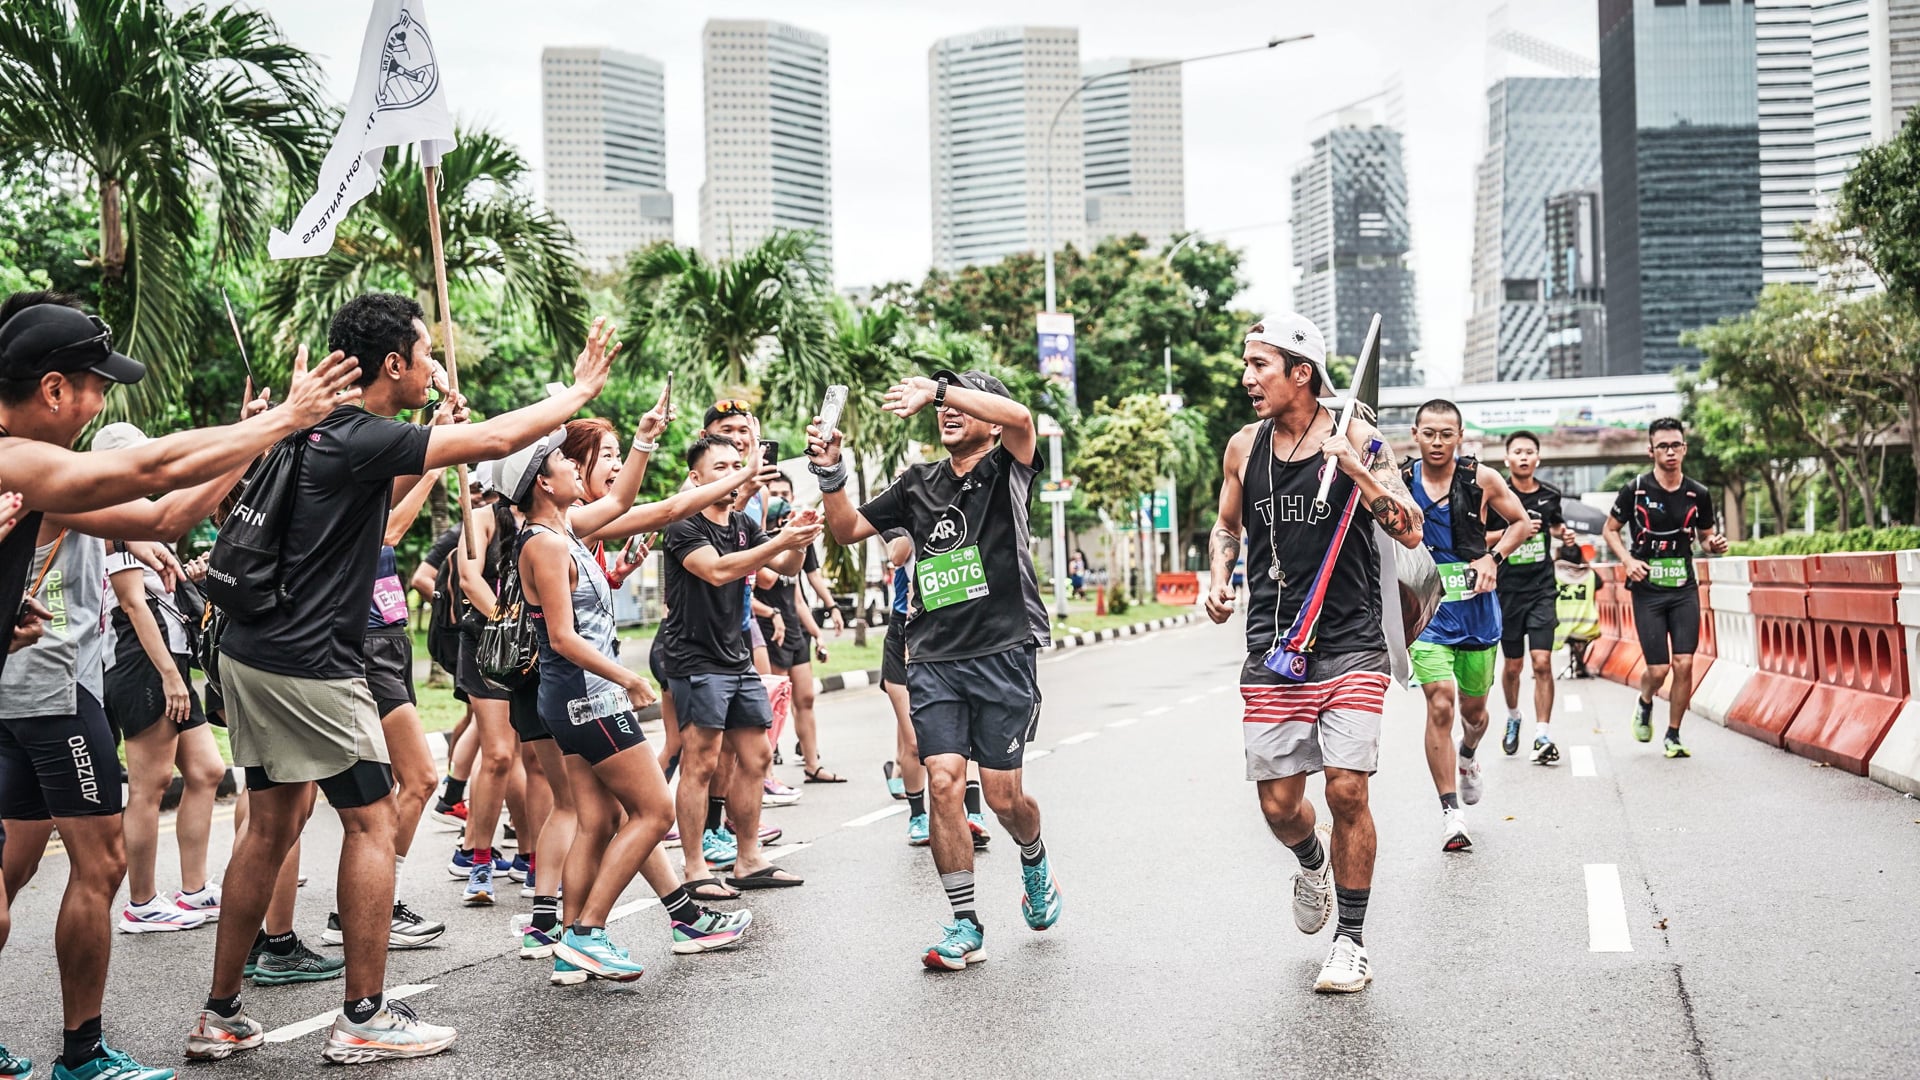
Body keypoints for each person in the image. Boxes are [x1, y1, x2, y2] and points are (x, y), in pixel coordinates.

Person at [183, 295, 618, 1065]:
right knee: (373, 822)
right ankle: (363, 1017)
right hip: (310, 661)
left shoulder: (310, 428)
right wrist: (575, 396)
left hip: (253, 650)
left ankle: (220, 1015)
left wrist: (438, 432)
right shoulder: (358, 435)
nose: (432, 368)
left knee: (273, 825)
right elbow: (492, 438)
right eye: (425, 355)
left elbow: (405, 488)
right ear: (393, 363)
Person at [0, 290, 354, 1080]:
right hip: (50, 697)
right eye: (96, 385)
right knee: (97, 867)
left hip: (20, 688)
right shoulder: (13, 455)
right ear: (55, 389)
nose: (98, 404)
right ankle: (83, 1054)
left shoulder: (34, 479)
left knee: (12, 870)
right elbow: (155, 467)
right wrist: (283, 420)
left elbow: (161, 516)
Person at [809, 366, 1061, 972]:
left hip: (1003, 652)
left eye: (959, 403)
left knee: (1003, 798)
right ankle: (964, 922)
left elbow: (1023, 420)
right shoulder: (918, 483)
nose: (945, 412)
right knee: (944, 781)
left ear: (989, 418)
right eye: (941, 406)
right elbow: (845, 530)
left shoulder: (1009, 469)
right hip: (934, 658)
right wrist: (830, 471)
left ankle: (1033, 855)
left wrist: (937, 389)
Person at [1202, 314, 1425, 995]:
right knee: (1278, 805)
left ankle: (1351, 942)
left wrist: (1359, 472)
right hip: (1274, 646)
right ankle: (1310, 860)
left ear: (1302, 372)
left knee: (1347, 788)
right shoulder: (1244, 447)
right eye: (1247, 364)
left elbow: (1409, 529)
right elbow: (1225, 527)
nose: (1247, 379)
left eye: (1259, 366)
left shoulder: (1357, 435)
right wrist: (1217, 577)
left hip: (1352, 641)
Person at [509, 431, 756, 983]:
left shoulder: (566, 530)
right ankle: (588, 932)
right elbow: (563, 638)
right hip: (586, 698)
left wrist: (737, 474)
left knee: (597, 821)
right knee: (655, 812)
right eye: (563, 463)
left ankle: (571, 947)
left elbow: (655, 506)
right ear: (543, 483)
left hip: (574, 698)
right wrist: (628, 679)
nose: (577, 468)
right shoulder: (544, 544)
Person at [661, 434, 817, 896]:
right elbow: (718, 570)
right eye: (721, 468)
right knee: (701, 762)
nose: (734, 475)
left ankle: (748, 860)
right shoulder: (684, 524)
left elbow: (783, 569)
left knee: (757, 756)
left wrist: (800, 539)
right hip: (695, 658)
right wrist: (782, 542)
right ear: (696, 478)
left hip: (736, 658)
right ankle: (694, 870)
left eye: (738, 465)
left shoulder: (744, 523)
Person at [93, 423, 226, 934]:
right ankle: (141, 903)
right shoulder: (110, 523)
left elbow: (153, 592)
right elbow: (131, 602)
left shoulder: (135, 519)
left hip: (165, 657)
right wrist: (171, 676)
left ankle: (192, 891)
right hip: (141, 660)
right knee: (150, 786)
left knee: (208, 770)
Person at [319, 454, 452, 951]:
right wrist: (437, 469)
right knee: (421, 778)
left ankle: (359, 909)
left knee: (401, 780)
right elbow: (390, 531)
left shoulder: (368, 486)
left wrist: (437, 433)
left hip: (390, 640)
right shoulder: (342, 501)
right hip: (367, 646)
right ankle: (376, 906)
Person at [1402, 400, 1533, 852]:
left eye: (1446, 434)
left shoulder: (1482, 478)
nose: (1437, 442)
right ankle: (1451, 814)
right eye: (1429, 433)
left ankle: (1469, 753)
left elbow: (1522, 523)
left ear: (1460, 436)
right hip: (1426, 616)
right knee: (1440, 704)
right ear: (1415, 434)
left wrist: (1492, 558)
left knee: (1473, 715)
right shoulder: (1398, 482)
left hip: (1477, 611)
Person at [1602, 418, 1729, 758]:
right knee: (1658, 669)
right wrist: (1628, 561)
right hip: (1648, 589)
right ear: (1651, 450)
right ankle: (1645, 701)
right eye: (1663, 446)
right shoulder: (1636, 490)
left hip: (1684, 586)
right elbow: (1610, 530)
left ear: (1684, 449)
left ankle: (1673, 734)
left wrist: (1714, 544)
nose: (1670, 451)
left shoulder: (1698, 494)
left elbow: (1704, 537)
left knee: (1685, 663)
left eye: (1675, 445)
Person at [1488, 431, 1578, 765]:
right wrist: (1515, 531)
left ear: (1537, 458)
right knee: (1513, 666)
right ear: (1507, 458)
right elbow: (1479, 538)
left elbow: (1555, 526)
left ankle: (1542, 734)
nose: (1524, 457)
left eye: (1530, 452)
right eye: (1518, 452)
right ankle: (1513, 716)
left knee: (1542, 662)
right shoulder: (1496, 494)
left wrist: (1562, 533)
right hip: (1507, 591)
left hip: (1542, 589)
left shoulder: (1551, 494)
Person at [756, 476, 841, 783]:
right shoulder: (761, 538)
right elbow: (764, 580)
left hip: (794, 629)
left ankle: (812, 763)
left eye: (784, 496)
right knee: (774, 702)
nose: (779, 502)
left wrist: (818, 633)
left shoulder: (798, 540)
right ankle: (766, 772)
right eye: (773, 495)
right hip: (769, 629)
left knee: (805, 698)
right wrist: (783, 538)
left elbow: (799, 595)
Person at [878, 528, 929, 845]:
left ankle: (971, 812)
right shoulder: (901, 513)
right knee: (914, 740)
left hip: (945, 626)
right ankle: (918, 814)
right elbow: (896, 555)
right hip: (904, 630)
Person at [1554, 543, 1601, 678]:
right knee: (1582, 638)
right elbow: (1600, 584)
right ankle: (1580, 664)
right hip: (1585, 626)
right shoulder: (1590, 575)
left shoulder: (1553, 573)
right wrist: (1585, 563)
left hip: (1560, 627)